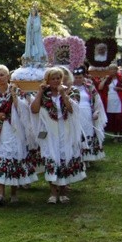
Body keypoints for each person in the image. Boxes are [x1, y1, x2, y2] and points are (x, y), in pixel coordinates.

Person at [0, 65, 37, 205]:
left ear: (8, 76)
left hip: (16, 129)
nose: (0, 78)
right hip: (0, 132)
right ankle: (0, 195)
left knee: (15, 157)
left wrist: (14, 97)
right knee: (0, 158)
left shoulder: (17, 91)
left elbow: (27, 109)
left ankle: (13, 194)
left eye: (2, 75)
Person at [30, 67, 85, 204]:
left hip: (66, 130)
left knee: (64, 157)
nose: (55, 81)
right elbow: (34, 109)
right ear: (47, 80)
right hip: (49, 132)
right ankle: (53, 193)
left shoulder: (72, 91)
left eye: (58, 78)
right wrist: (40, 92)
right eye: (52, 78)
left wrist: (63, 94)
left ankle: (63, 191)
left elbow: (72, 109)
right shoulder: (44, 94)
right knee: (51, 158)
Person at [72, 67, 107, 163]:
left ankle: (88, 157)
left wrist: (96, 112)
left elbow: (97, 101)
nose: (78, 79)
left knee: (88, 133)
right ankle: (79, 157)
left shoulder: (89, 87)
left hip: (87, 114)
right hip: (76, 115)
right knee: (78, 133)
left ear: (83, 77)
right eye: (76, 77)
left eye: (80, 77)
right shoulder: (69, 88)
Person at [97, 65, 122, 142]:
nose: (112, 71)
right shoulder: (108, 79)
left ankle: (121, 133)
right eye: (110, 69)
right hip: (110, 100)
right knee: (112, 116)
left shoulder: (121, 78)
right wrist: (105, 79)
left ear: (116, 70)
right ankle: (115, 134)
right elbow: (100, 88)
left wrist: (120, 89)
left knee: (120, 117)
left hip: (119, 100)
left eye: (113, 69)